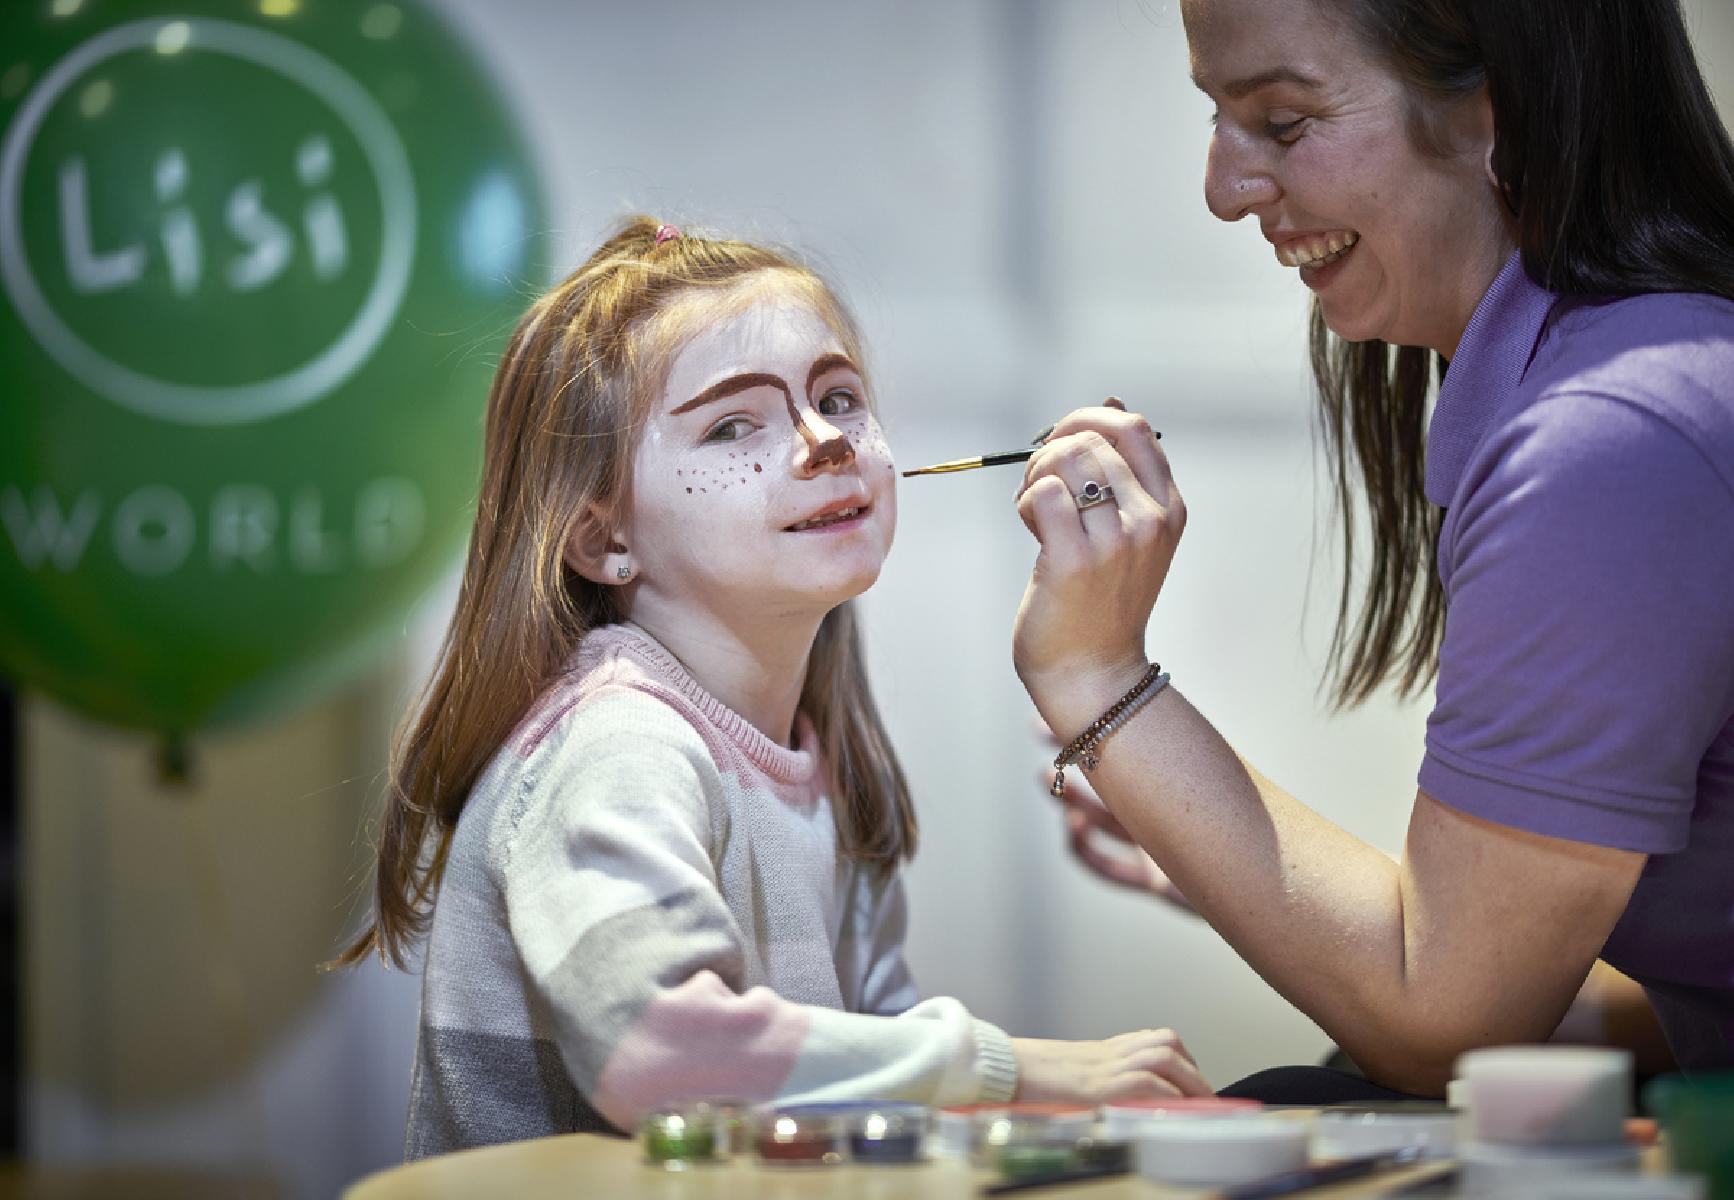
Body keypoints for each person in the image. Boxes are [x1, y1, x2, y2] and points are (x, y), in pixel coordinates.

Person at [332, 217, 1208, 1157]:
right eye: (731, 424)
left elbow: (874, 1098)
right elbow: (660, 1055)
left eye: (838, 398)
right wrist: (1008, 1070)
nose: (824, 441)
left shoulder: (832, 769)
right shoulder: (614, 747)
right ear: (603, 538)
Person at [1013, 0, 1734, 1099]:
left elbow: (1444, 1024)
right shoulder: (1650, 368)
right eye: (1217, 118)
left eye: (1284, 122)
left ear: (1498, 107)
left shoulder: (1611, 440)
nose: (1224, 190)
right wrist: (1283, 900)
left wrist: (1092, 672)